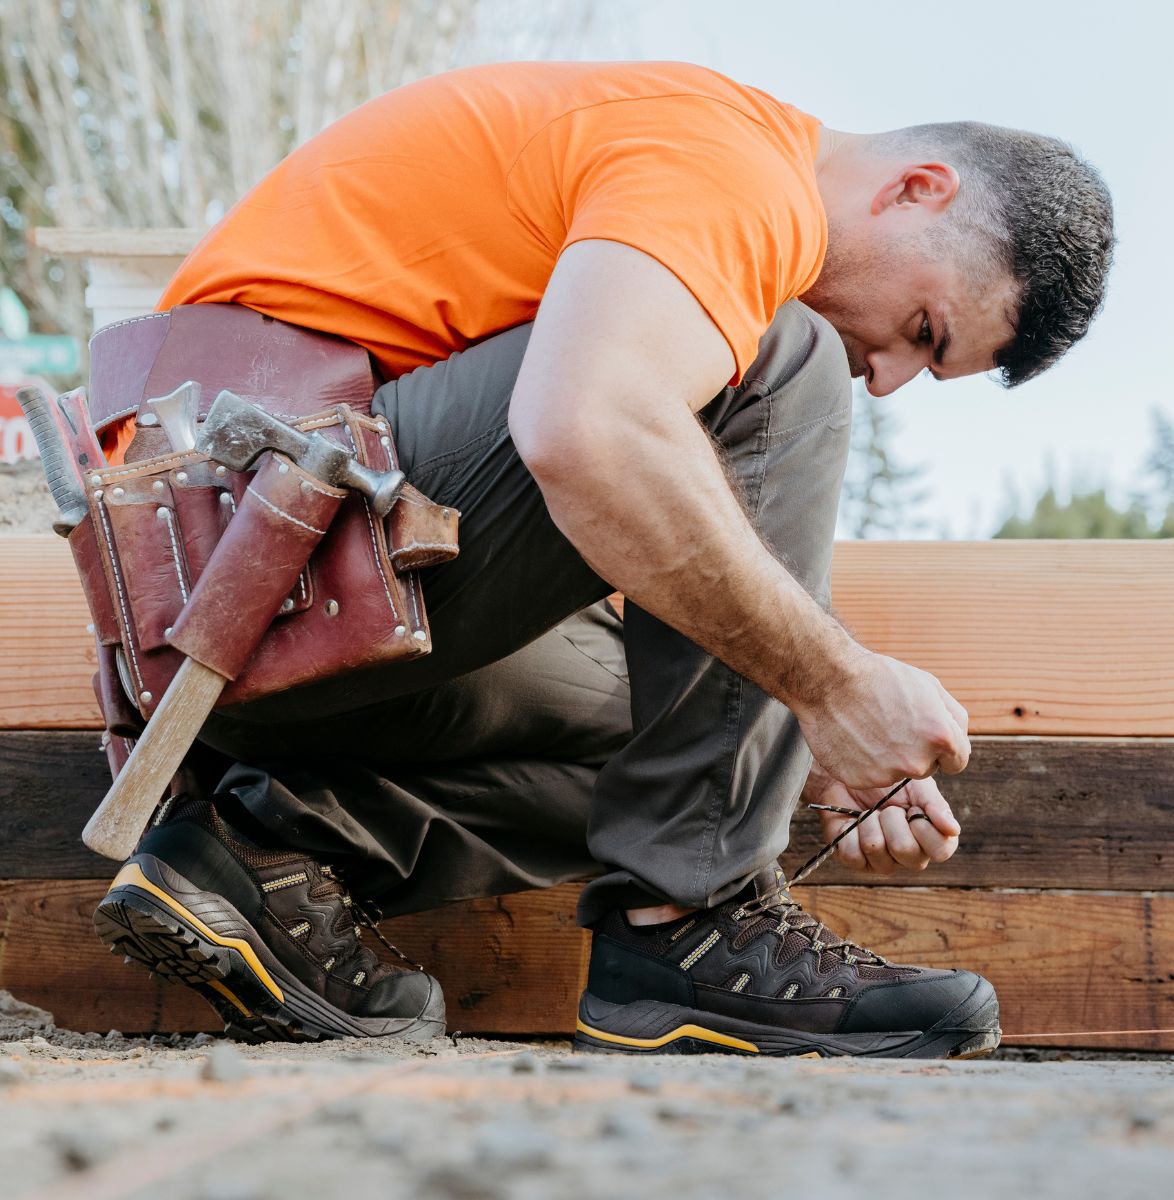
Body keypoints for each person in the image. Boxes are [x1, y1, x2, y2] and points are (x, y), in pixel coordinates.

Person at [92, 60, 1113, 1056]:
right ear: (918, 189)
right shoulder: (730, 164)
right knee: (785, 355)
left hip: (227, 607)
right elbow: (587, 430)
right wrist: (833, 685)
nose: (885, 379)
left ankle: (260, 853)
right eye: (924, 331)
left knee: (666, 740)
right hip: (236, 545)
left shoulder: (692, 172)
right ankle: (693, 926)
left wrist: (789, 744)